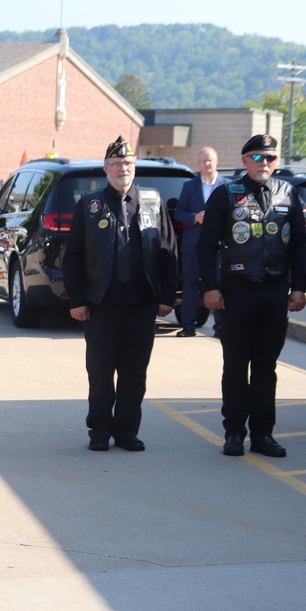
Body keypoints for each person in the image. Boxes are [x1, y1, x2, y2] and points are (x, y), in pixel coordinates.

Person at [61, 136, 177, 452]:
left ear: (133, 166)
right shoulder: (89, 204)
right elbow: (72, 256)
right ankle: (99, 431)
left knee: (134, 374)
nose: (121, 168)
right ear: (105, 168)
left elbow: (168, 251)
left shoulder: (153, 202)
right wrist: (78, 299)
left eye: (127, 163)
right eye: (115, 164)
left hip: (141, 305)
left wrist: (168, 295)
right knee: (100, 373)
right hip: (101, 306)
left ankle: (127, 431)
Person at [197, 134, 306, 458]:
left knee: (265, 367)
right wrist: (211, 287)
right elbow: (206, 245)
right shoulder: (226, 194)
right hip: (237, 291)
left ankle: (263, 435)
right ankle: (234, 433)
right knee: (235, 365)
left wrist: (299, 286)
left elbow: (299, 242)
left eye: (271, 158)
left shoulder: (288, 193)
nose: (265, 163)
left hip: (274, 291)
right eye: (259, 157)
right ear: (245, 160)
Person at [174, 146, 226, 337]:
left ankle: (220, 326)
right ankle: (188, 325)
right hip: (193, 245)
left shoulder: (226, 185)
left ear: (216, 161)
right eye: (203, 161)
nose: (206, 164)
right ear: (198, 163)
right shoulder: (189, 186)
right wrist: (195, 217)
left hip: (218, 246)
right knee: (190, 286)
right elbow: (179, 212)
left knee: (218, 285)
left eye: (209, 160)